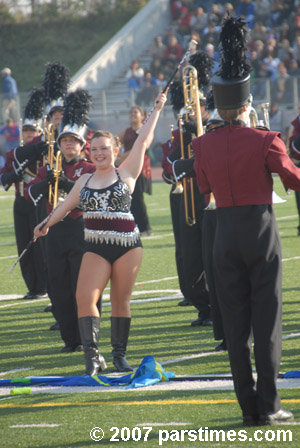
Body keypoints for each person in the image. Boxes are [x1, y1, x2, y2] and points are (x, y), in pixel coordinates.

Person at [192, 15, 296, 425]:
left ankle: (248, 408)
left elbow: (205, 189)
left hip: (223, 233)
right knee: (267, 320)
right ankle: (270, 407)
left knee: (235, 326)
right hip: (260, 230)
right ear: (248, 103)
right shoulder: (265, 138)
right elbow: (292, 178)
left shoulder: (201, 145)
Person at [33, 91, 167, 375]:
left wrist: (156, 109)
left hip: (128, 245)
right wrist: (45, 224)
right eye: (95, 150)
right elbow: (66, 207)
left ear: (115, 150)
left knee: (120, 300)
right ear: (88, 153)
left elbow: (143, 139)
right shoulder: (84, 179)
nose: (100, 153)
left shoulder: (126, 172)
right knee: (85, 296)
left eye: (105, 148)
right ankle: (93, 357)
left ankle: (119, 355)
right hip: (95, 245)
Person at [27, 89, 96, 354]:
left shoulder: (88, 169)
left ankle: (88, 336)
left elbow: (89, 197)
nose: (68, 145)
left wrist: (66, 183)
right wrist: (47, 182)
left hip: (80, 230)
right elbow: (31, 193)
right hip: (53, 231)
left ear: (81, 145)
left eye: (73, 141)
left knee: (83, 285)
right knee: (58, 286)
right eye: (64, 141)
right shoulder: (48, 168)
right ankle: (70, 339)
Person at [0, 88, 48, 300]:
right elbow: (3, 177)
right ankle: (33, 286)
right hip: (20, 202)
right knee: (24, 245)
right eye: (26, 131)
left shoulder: (43, 149)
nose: (29, 134)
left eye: (32, 131)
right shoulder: (16, 153)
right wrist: (10, 176)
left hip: (38, 203)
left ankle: (45, 285)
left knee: (40, 246)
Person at [119, 106, 153, 236]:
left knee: (138, 198)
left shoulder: (146, 131)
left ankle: (145, 228)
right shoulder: (125, 132)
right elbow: (117, 145)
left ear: (142, 116)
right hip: (128, 168)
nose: (133, 114)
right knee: (130, 198)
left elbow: (144, 146)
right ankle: (133, 226)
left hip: (141, 168)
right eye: (131, 112)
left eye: (136, 112)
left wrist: (126, 155)